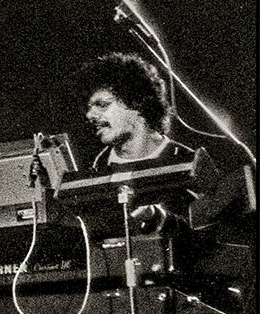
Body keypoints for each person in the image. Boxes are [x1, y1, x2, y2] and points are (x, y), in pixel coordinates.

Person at [72, 51, 245, 236]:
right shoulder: (94, 168)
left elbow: (217, 239)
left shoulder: (189, 162)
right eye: (89, 108)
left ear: (137, 102)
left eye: (102, 104)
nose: (90, 115)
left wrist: (160, 219)